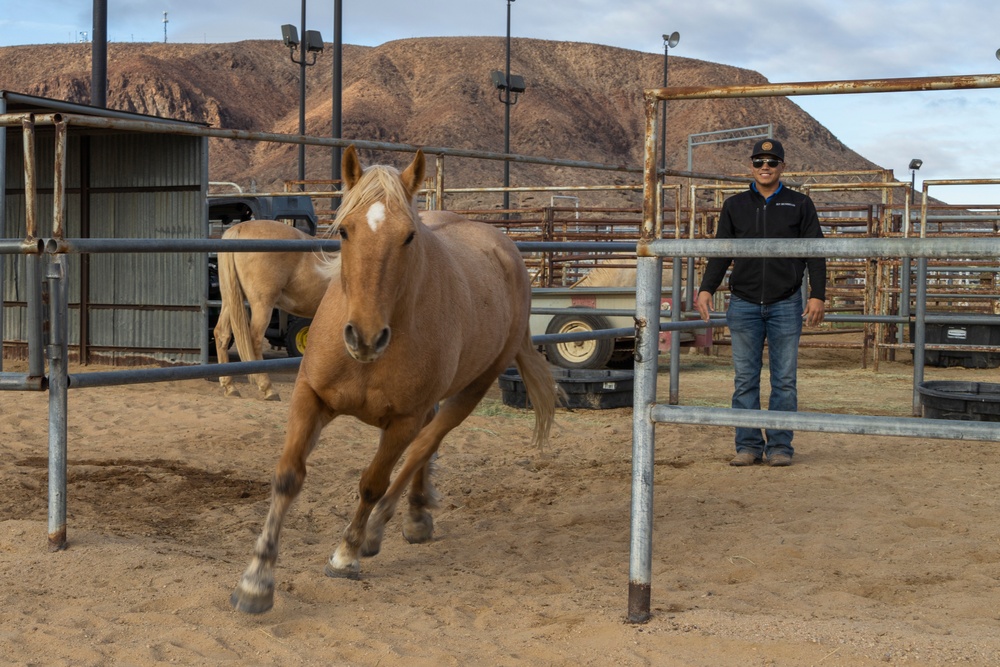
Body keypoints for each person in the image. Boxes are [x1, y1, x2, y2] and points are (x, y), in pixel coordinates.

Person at [694, 139, 826, 467]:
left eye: (771, 161)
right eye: (758, 162)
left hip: (785, 302)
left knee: (784, 378)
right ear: (750, 167)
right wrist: (706, 288)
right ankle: (748, 445)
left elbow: (816, 252)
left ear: (782, 166)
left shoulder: (800, 204)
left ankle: (780, 446)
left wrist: (817, 294)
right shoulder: (735, 205)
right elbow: (721, 250)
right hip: (744, 302)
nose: (764, 167)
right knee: (745, 378)